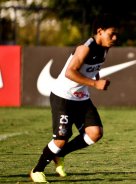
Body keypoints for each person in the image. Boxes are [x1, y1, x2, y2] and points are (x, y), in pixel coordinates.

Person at [30, 14, 119, 182]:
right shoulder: (85, 47)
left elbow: (93, 67)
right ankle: (37, 170)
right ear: (100, 31)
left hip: (81, 98)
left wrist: (96, 79)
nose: (115, 38)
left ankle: (60, 155)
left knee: (95, 133)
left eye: (116, 34)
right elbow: (69, 72)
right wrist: (95, 84)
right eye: (112, 34)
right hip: (63, 96)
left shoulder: (105, 48)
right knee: (60, 140)